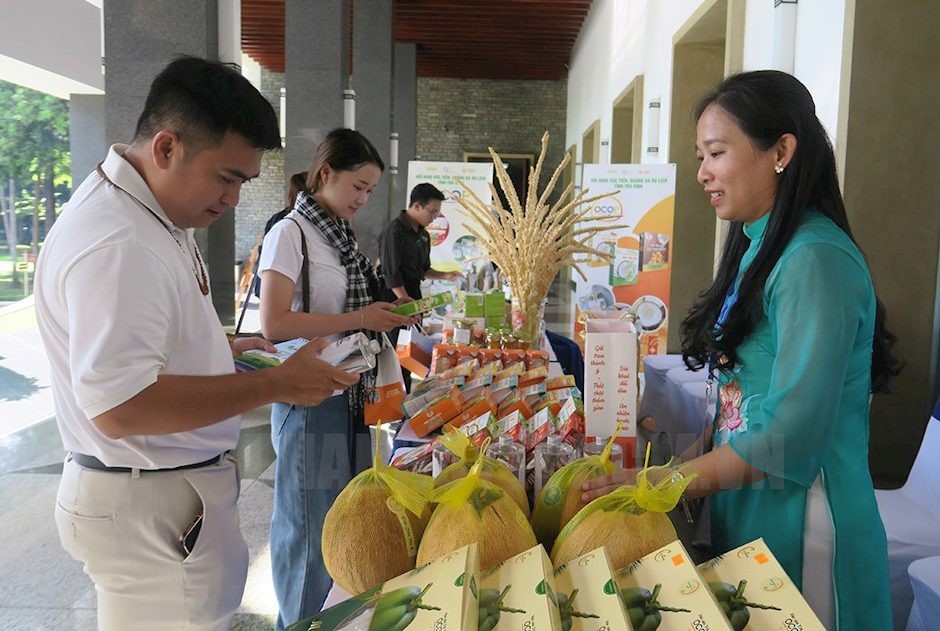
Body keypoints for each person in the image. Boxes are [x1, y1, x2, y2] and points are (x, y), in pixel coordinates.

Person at [34, 56, 359, 631]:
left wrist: (225, 348)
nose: (233, 198)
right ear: (166, 148)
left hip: (161, 500)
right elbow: (119, 406)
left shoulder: (152, 215)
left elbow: (152, 342)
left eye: (244, 182)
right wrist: (276, 383)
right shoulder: (119, 242)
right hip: (149, 511)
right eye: (227, 177)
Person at [581, 70, 901, 630]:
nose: (702, 173)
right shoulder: (761, 246)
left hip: (804, 518)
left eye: (715, 153)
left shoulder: (813, 259)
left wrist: (666, 482)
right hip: (750, 499)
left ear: (781, 150)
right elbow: (743, 395)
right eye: (700, 155)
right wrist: (674, 450)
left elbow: (792, 435)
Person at [257, 127, 417, 629]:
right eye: (357, 187)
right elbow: (274, 323)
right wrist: (360, 319)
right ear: (325, 173)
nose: (363, 200)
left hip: (348, 390)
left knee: (343, 520)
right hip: (307, 396)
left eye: (370, 191)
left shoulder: (341, 237)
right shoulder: (291, 232)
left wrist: (383, 313)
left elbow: (353, 307)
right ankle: (299, 621)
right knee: (307, 527)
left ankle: (332, 618)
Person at [378, 182, 462, 388]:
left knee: (412, 356)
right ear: (416, 206)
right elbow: (391, 274)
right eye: (432, 211)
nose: (435, 217)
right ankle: (394, 406)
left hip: (414, 303)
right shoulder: (394, 231)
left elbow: (424, 269)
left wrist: (447, 275)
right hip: (395, 304)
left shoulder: (423, 235)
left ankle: (407, 401)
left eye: (438, 213)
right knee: (396, 358)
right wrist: (407, 307)